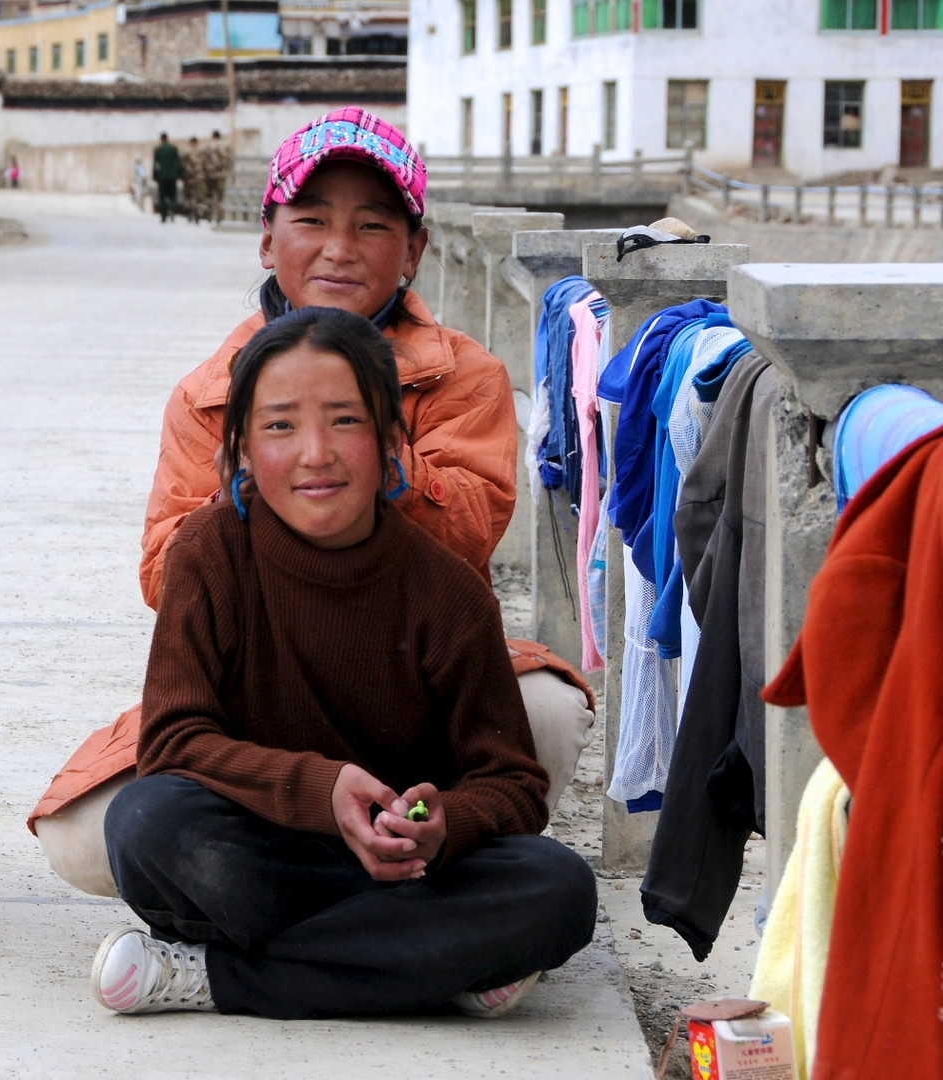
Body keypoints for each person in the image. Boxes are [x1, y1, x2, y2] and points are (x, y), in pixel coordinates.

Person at [29, 107, 595, 901]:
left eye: (371, 225)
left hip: (414, 700)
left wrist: (360, 428)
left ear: (415, 250)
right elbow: (164, 576)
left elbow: (469, 534)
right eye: (310, 220)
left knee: (546, 714)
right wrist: (266, 480)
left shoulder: (461, 375)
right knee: (88, 838)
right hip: (262, 712)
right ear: (267, 239)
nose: (338, 248)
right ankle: (414, 919)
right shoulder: (207, 395)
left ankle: (265, 926)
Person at [90, 307, 598, 1018]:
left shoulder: (445, 589)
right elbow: (174, 741)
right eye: (279, 426)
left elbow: (510, 784)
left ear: (392, 437)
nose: (315, 453)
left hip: (405, 867)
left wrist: (440, 820)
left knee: (559, 890)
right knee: (145, 824)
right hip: (268, 852)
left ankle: (219, 977)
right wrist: (320, 790)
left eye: (345, 421)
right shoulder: (209, 552)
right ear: (237, 448)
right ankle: (438, 963)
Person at [200, 129, 231, 224]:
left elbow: (202, 161)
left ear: (212, 136)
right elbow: (229, 160)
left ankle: (209, 215)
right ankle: (219, 217)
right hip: (221, 175)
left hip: (209, 175)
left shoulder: (207, 147)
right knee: (220, 198)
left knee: (209, 196)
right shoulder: (225, 146)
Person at [152, 132, 182, 223]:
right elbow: (178, 162)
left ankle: (163, 215)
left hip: (162, 176)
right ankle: (172, 210)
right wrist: (179, 174)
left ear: (161, 139)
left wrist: (155, 176)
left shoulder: (158, 150)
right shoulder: (173, 149)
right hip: (172, 176)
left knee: (162, 196)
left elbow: (156, 164)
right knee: (172, 195)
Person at [182, 136, 206, 221]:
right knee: (199, 197)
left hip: (188, 177)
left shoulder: (185, 152)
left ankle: (188, 211)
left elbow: (182, 164)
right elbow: (205, 164)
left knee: (188, 196)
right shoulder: (202, 152)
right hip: (199, 177)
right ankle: (198, 213)